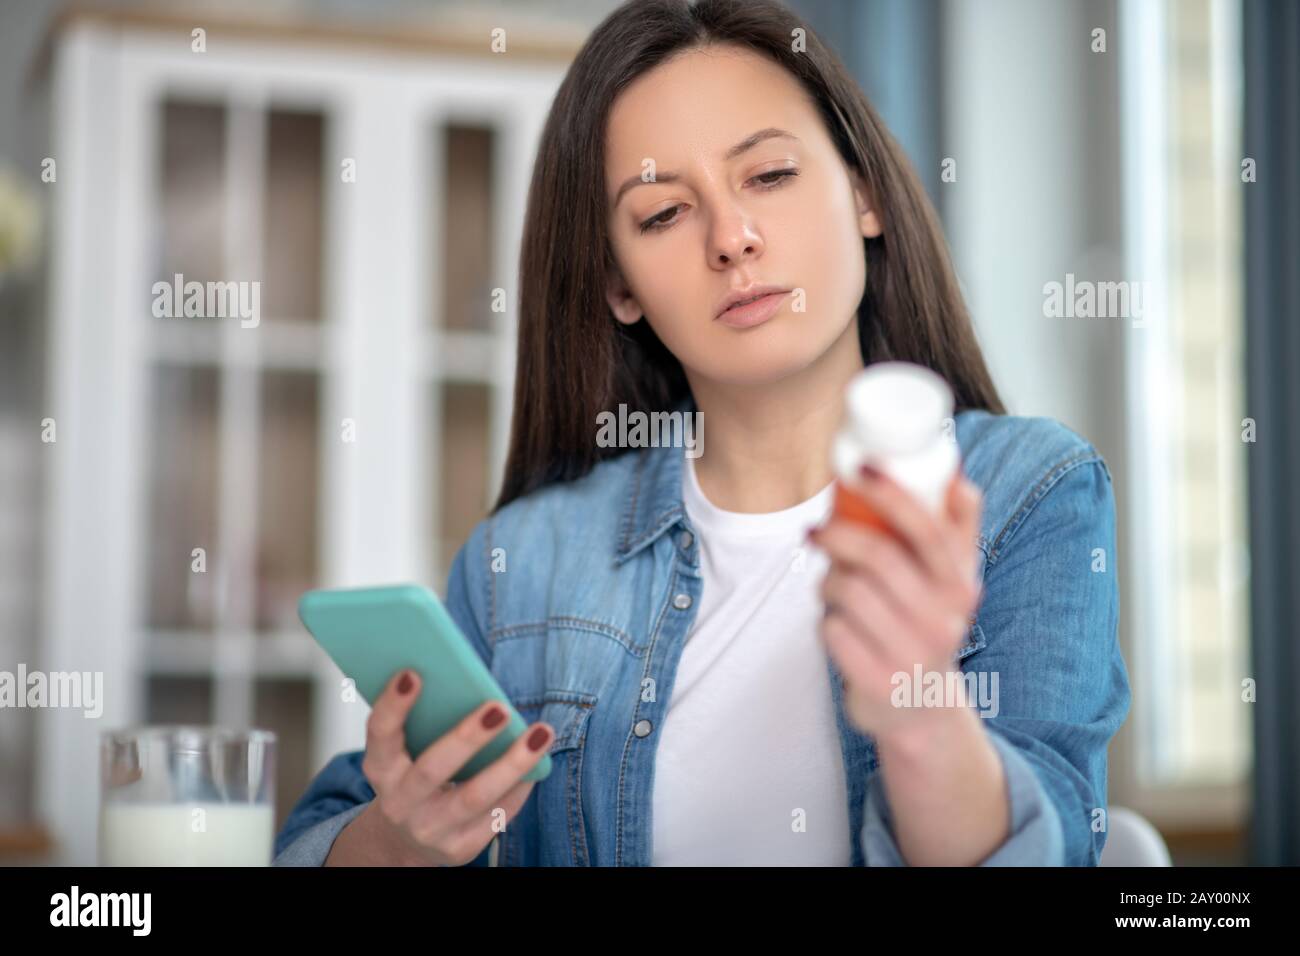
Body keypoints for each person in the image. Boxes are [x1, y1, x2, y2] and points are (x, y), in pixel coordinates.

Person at [273, 0, 1130, 867]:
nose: (732, 238)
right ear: (620, 287)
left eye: (768, 176)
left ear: (863, 192)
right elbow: (316, 839)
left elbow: (1056, 845)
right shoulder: (525, 562)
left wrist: (920, 716)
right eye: (662, 214)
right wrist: (397, 842)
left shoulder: (1026, 493)